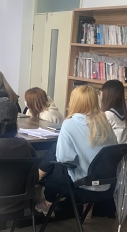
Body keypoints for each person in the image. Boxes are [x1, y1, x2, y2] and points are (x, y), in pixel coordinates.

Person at [36, 85, 117, 214]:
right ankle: (45, 193)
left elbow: (63, 159)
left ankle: (44, 197)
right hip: (107, 185)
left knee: (55, 164)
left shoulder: (70, 124)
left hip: (83, 185)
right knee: (55, 152)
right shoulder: (105, 122)